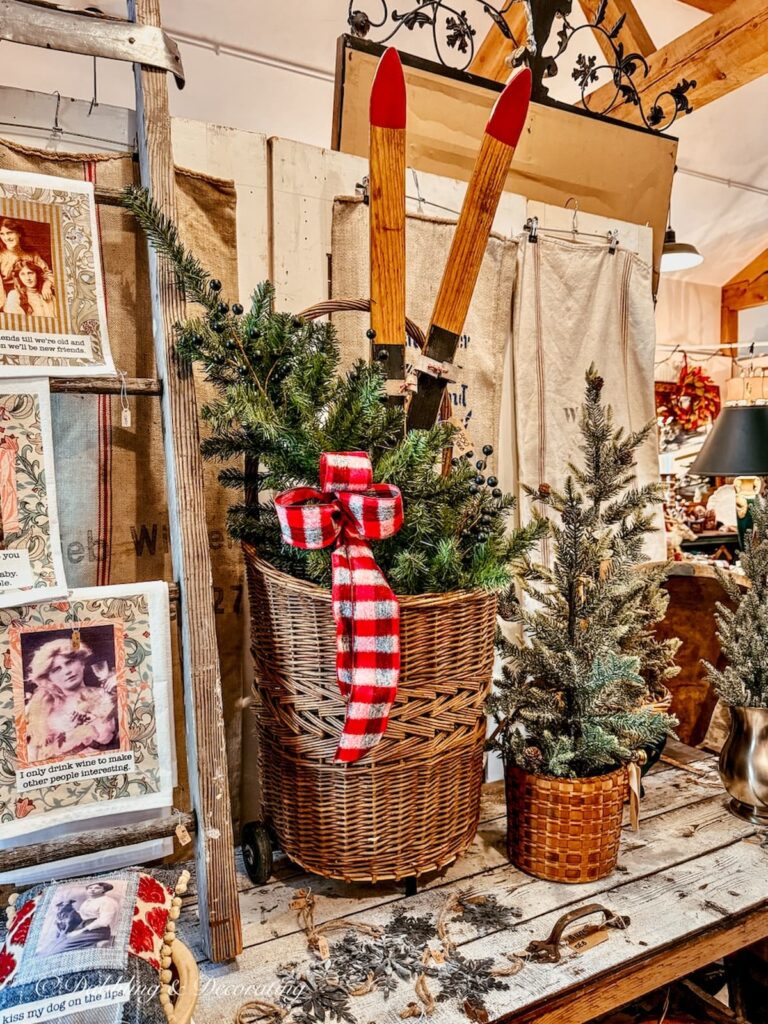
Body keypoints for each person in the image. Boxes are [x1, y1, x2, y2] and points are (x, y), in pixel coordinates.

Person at [23, 637, 118, 763]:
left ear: (82, 663)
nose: (67, 671)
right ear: (48, 678)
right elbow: (31, 752)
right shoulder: (39, 707)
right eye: (57, 669)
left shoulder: (106, 695)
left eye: (69, 662)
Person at [0, 219, 54, 310]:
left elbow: (47, 273)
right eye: (2, 234)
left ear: (19, 233)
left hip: (33, 294)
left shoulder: (32, 254)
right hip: (10, 299)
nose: (6, 238)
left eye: (10, 233)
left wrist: (47, 284)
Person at [53, 882, 120, 951]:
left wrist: (81, 931)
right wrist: (63, 918)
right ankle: (92, 945)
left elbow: (103, 921)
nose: (92, 890)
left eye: (97, 888)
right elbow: (83, 914)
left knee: (64, 946)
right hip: (83, 926)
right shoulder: (88, 901)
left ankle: (97, 944)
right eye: (90, 888)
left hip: (98, 930)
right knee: (59, 941)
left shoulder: (107, 902)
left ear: (104, 890)